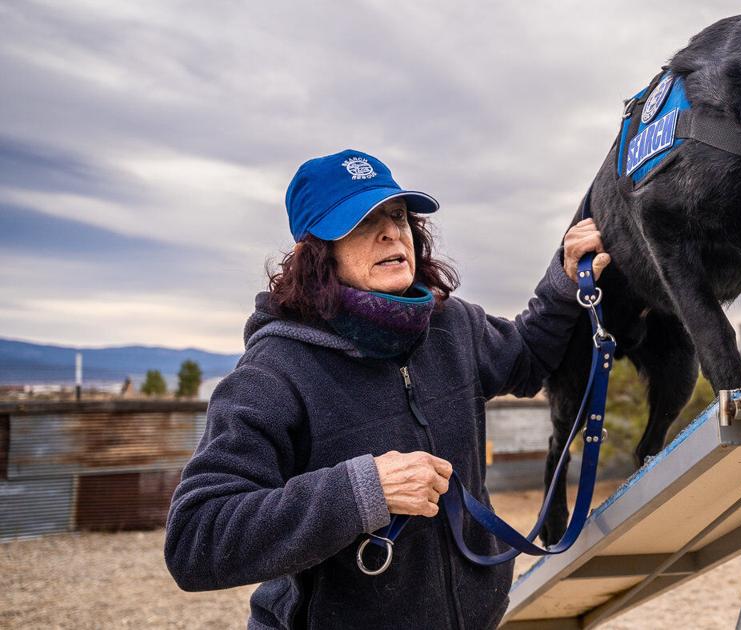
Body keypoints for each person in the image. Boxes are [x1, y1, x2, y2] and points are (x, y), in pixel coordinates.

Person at [164, 149, 609, 629]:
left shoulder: (451, 324)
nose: (391, 232)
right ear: (315, 253)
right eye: (362, 222)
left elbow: (527, 359)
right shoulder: (274, 370)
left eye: (397, 215)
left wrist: (564, 281)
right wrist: (360, 491)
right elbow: (195, 540)